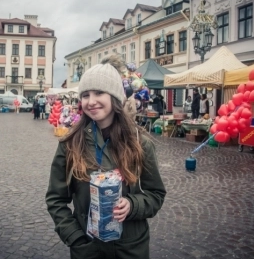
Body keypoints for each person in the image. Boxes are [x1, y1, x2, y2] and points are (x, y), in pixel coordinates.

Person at [46, 55, 166, 259]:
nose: (91, 102)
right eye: (85, 95)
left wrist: (133, 205)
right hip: (87, 247)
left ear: (115, 97)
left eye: (99, 92)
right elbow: (56, 199)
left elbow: (155, 194)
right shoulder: (70, 144)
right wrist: (75, 238)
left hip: (130, 248)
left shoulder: (139, 143)